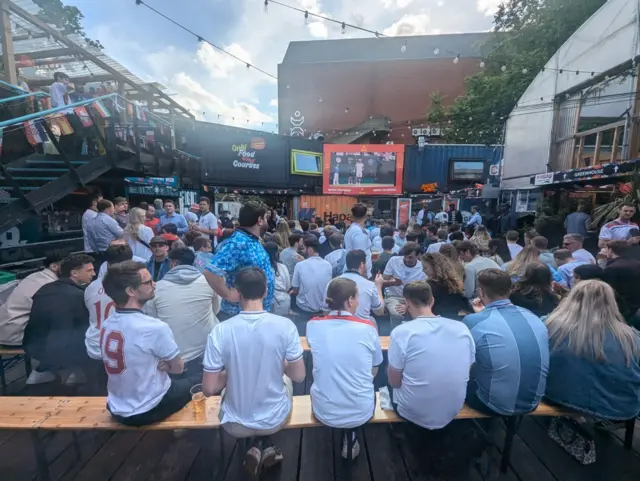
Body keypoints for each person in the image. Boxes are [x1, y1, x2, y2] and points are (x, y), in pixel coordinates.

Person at [201, 267, 306, 475]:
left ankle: (255, 445)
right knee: (286, 382)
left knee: (233, 389)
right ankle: (264, 443)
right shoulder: (285, 326)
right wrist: (281, 365)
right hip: (274, 420)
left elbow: (208, 389)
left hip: (234, 424)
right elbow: (299, 376)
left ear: (237, 292)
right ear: (266, 291)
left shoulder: (220, 330)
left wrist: (234, 371)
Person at [101, 261, 189, 426]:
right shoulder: (154, 327)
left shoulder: (106, 324)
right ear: (131, 291)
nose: (154, 284)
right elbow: (178, 368)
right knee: (197, 380)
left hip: (116, 406)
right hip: (148, 408)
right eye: (148, 282)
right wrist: (168, 365)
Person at [308, 277, 382, 459]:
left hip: (323, 410)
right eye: (357, 297)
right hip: (361, 410)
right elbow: (375, 368)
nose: (358, 302)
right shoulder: (368, 328)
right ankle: (352, 436)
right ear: (350, 301)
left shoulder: (313, 325)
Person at [545, 280, 640, 420]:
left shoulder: (548, 325)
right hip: (619, 407)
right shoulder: (631, 337)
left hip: (556, 397)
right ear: (611, 303)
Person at [388, 281, 475, 428]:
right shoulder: (462, 328)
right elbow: (469, 366)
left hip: (411, 411)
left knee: (387, 373)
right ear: (432, 300)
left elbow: (394, 382)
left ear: (407, 303)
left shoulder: (401, 333)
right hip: (453, 407)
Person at [463, 269, 549, 415]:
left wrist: (480, 315)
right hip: (533, 401)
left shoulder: (473, 321)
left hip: (492, 404)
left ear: (480, 292)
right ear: (509, 291)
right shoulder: (532, 316)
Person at [144, 248, 219, 382]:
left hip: (172, 361)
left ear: (173, 263)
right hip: (206, 355)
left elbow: (152, 321)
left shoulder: (156, 288)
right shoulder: (208, 282)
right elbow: (216, 310)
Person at [23, 254, 95, 385]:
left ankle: (45, 372)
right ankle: (73, 378)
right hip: (62, 351)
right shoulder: (80, 295)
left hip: (33, 346)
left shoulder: (44, 289)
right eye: (89, 270)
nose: (94, 273)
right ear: (74, 273)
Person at [204, 201, 275, 321]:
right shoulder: (239, 242)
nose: (267, 222)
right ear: (260, 220)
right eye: (265, 218)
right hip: (241, 315)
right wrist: (228, 294)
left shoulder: (249, 240)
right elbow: (210, 272)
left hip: (256, 313)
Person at [84, 245, 132, 392]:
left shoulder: (91, 286)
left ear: (108, 263)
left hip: (95, 344)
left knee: (99, 390)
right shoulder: (132, 286)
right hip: (121, 348)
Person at [0, 252, 64, 347]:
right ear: (54, 266)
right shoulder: (49, 285)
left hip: (6, 329)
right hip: (14, 334)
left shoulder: (36, 276)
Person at [383, 243, 427, 330]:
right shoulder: (394, 261)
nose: (407, 259)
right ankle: (394, 335)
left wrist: (408, 305)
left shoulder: (422, 267)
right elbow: (384, 279)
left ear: (418, 256)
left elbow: (422, 290)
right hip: (394, 296)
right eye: (405, 256)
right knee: (397, 313)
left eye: (410, 257)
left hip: (414, 298)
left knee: (421, 313)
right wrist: (393, 282)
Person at [292, 236, 333, 328]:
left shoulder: (300, 265)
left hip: (304, 309)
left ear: (309, 250)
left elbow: (295, 289)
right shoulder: (328, 265)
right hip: (323, 309)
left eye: (303, 248)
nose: (302, 251)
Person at [333, 250, 385, 324]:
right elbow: (379, 311)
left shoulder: (332, 283)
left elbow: (326, 312)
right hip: (361, 327)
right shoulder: (369, 285)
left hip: (336, 326)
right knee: (372, 320)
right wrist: (378, 286)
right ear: (362, 265)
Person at [421, 253, 469, 319]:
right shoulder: (454, 282)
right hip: (458, 317)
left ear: (435, 267)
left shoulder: (430, 286)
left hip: (440, 318)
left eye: (425, 268)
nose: (423, 271)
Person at [601, 240, 640, 323]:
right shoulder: (637, 263)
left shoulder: (611, 268)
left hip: (620, 310)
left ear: (610, 250)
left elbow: (609, 290)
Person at [88, 199, 124, 266]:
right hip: (112, 250)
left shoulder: (91, 221)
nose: (114, 210)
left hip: (99, 251)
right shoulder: (108, 220)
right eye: (113, 207)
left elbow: (90, 238)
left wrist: (96, 250)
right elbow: (121, 233)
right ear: (107, 209)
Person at [344, 203, 373, 278]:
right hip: (359, 274)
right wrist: (364, 277)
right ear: (366, 217)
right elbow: (359, 256)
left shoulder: (351, 229)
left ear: (352, 216)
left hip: (354, 272)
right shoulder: (359, 233)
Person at [264, 242, 292, 317]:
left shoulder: (262, 268)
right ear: (277, 253)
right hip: (282, 301)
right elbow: (288, 286)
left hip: (267, 302)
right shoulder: (283, 267)